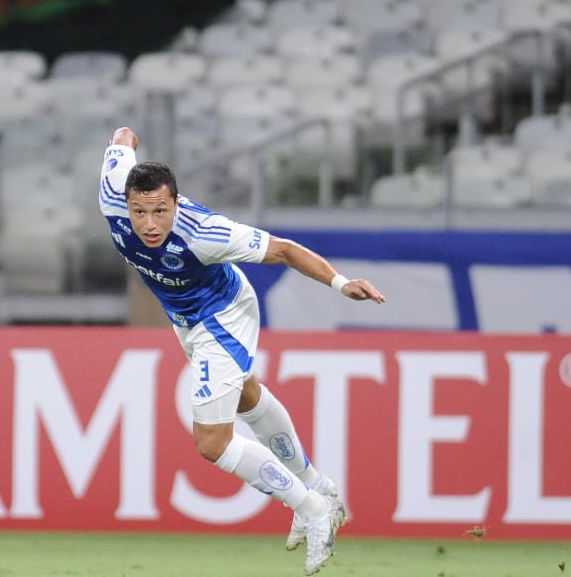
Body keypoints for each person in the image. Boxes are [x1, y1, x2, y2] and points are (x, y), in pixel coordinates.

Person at [99, 126, 385, 576]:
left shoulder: (206, 233)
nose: (150, 224)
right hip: (186, 321)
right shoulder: (111, 195)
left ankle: (310, 507)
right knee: (247, 395)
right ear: (125, 204)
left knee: (212, 443)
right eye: (140, 212)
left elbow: (286, 251)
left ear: (176, 203)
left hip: (224, 316)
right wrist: (127, 140)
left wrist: (340, 282)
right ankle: (320, 487)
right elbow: (123, 137)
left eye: (160, 211)